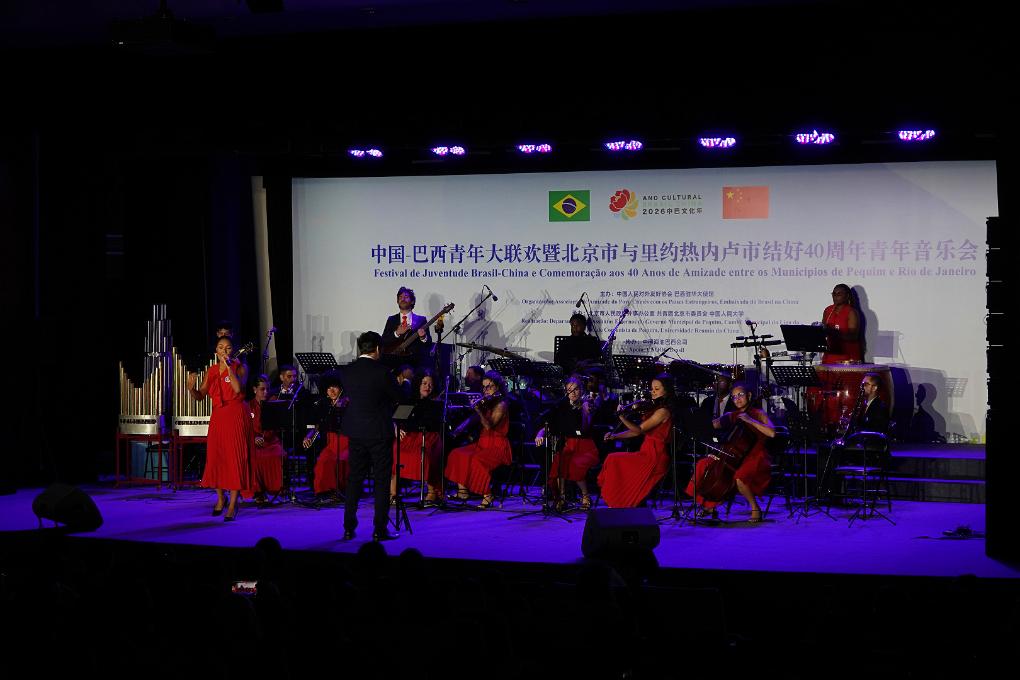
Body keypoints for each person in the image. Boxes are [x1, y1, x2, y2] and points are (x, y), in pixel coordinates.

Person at [339, 331, 403, 541]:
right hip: (378, 432)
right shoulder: (382, 372)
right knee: (381, 481)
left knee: (354, 480)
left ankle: (348, 528)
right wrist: (402, 384)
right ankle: (379, 529)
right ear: (377, 349)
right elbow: (398, 397)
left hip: (356, 431)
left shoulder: (347, 371)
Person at [685, 382, 775, 522]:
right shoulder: (732, 415)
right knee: (703, 464)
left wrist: (750, 420)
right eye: (734, 397)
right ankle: (708, 506)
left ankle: (755, 508)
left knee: (740, 477)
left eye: (740, 395)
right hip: (732, 455)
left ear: (749, 395)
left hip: (755, 455)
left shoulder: (758, 414)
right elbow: (711, 426)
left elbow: (772, 433)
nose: (737, 399)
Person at [187, 336, 253, 521]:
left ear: (232, 350)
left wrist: (229, 368)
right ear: (216, 352)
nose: (224, 350)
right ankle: (220, 498)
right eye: (221, 347)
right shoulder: (212, 371)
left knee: (234, 458)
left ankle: (232, 504)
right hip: (218, 417)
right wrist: (191, 389)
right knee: (216, 457)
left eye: (228, 347)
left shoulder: (240, 367)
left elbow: (238, 389)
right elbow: (201, 395)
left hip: (236, 415)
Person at [597, 375, 675, 508]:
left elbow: (638, 430)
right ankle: (621, 501)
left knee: (614, 460)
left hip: (655, 456)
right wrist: (615, 436)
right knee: (612, 458)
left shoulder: (663, 411)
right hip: (646, 452)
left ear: (666, 390)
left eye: (657, 389)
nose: (653, 391)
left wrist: (622, 417)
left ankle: (620, 501)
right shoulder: (656, 408)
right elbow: (635, 432)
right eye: (652, 388)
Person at [444, 370, 512, 508]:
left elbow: (488, 426)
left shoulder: (501, 404)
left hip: (497, 447)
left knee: (477, 460)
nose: (486, 390)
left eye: (489, 387)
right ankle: (463, 492)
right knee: (457, 454)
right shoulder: (487, 402)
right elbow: (473, 419)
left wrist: (479, 410)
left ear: (498, 387)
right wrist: (458, 430)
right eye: (484, 387)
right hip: (482, 443)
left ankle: (488, 495)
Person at [535, 375, 600, 510]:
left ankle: (585, 495)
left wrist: (586, 412)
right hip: (569, 446)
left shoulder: (587, 404)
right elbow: (551, 424)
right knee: (559, 462)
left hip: (586, 447)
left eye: (576, 389)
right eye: (569, 390)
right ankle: (561, 497)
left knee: (575, 463)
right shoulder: (562, 407)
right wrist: (540, 433)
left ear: (581, 390)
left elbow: (585, 428)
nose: (573, 393)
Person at [390, 370, 444, 503]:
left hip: (429, 436)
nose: (427, 387)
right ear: (418, 384)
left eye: (430, 384)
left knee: (425, 454)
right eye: (424, 383)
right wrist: (396, 427)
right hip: (410, 436)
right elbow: (397, 419)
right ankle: (393, 493)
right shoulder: (410, 401)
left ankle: (431, 491)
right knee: (395, 451)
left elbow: (434, 425)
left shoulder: (436, 404)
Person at [304, 372, 350, 496]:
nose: (332, 391)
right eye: (329, 388)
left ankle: (341, 489)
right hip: (331, 442)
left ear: (340, 388)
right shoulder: (324, 405)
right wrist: (309, 435)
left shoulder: (347, 403)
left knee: (339, 460)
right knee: (322, 461)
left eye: (334, 387)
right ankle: (325, 490)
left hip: (346, 441)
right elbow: (317, 424)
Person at [247, 374, 286, 505]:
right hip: (253, 443)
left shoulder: (272, 404)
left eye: (267, 389)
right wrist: (253, 438)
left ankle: (277, 490)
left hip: (271, 441)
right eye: (262, 389)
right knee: (254, 457)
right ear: (254, 390)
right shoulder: (248, 406)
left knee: (279, 454)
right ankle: (258, 492)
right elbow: (245, 428)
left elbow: (277, 426)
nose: (266, 392)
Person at [821, 283, 862, 363]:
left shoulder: (851, 312)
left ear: (847, 296)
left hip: (847, 355)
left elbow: (853, 336)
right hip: (830, 354)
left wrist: (834, 333)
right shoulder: (828, 310)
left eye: (839, 294)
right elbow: (823, 330)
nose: (835, 296)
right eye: (834, 294)